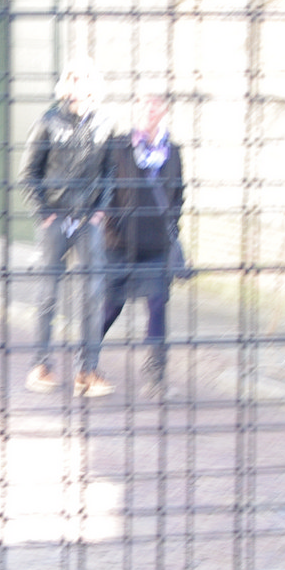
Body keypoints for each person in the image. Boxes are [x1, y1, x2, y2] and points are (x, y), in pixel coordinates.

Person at [22, 64, 114, 397]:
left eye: (85, 79)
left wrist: (100, 210)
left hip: (88, 221)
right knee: (47, 294)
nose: (79, 85)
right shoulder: (48, 121)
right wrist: (43, 211)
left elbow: (110, 173)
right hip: (56, 219)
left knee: (92, 294)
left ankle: (87, 371)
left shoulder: (105, 124)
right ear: (66, 85)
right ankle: (40, 366)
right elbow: (29, 172)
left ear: (94, 86)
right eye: (73, 79)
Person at [96, 93, 186, 394]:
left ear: (164, 110)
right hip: (119, 246)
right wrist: (112, 226)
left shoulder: (173, 152)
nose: (150, 109)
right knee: (111, 308)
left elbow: (178, 196)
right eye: (145, 103)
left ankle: (156, 376)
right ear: (137, 108)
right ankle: (87, 362)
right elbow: (105, 190)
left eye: (156, 103)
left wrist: (171, 228)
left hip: (156, 248)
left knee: (158, 305)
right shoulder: (118, 147)